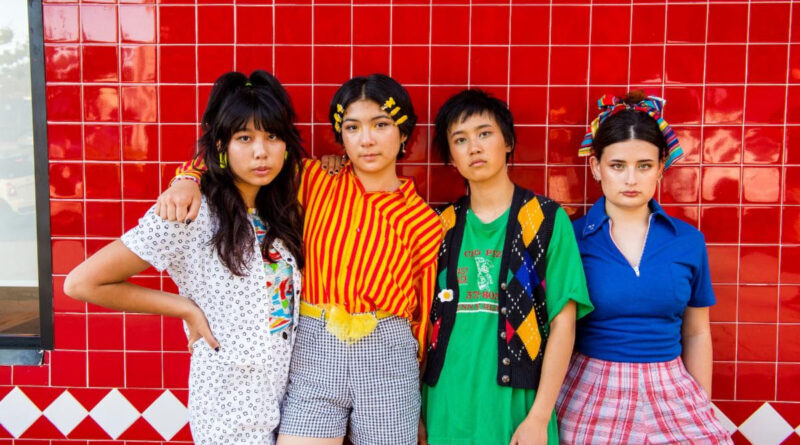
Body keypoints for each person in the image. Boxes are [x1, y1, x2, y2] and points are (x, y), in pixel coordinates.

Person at [158, 74, 442, 445]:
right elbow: (237, 158)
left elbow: (420, 318)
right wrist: (187, 178)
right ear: (341, 135)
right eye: (353, 127)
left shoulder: (424, 221)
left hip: (388, 358)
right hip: (313, 350)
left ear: (404, 134)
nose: (367, 139)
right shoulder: (313, 179)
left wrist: (415, 400)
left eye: (381, 125)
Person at [63, 70, 305, 444]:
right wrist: (185, 308)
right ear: (221, 147)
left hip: (283, 398)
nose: (261, 151)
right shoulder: (189, 212)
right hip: (228, 406)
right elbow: (82, 283)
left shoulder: (279, 210)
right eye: (245, 138)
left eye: (272, 137)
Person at [418, 89, 593, 445]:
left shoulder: (544, 219)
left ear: (508, 141)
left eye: (485, 134)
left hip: (517, 407)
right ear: (451, 157)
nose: (474, 147)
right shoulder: (440, 223)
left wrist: (540, 417)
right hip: (445, 403)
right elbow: (419, 320)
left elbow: (563, 322)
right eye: (460, 139)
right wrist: (417, 412)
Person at [556, 92, 732, 444]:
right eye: (617, 165)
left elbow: (697, 332)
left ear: (662, 166)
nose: (631, 179)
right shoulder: (570, 239)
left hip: (671, 386)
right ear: (596, 167)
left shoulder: (688, 241)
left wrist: (701, 403)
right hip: (591, 387)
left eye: (645, 165)